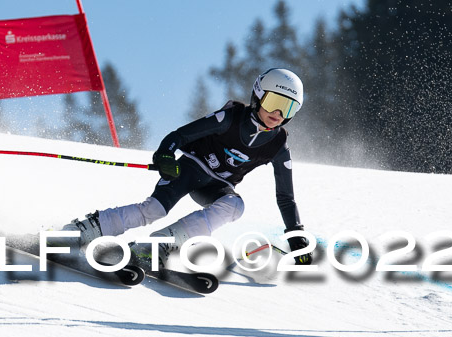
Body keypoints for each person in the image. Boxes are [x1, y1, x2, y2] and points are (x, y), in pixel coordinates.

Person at [63, 67, 313, 269]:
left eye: (289, 107)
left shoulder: (279, 146)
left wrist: (295, 233)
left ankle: (160, 245)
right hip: (190, 168)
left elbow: (285, 197)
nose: (278, 113)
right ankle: (84, 230)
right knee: (154, 209)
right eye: (274, 102)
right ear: (258, 96)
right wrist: (164, 155)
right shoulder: (231, 118)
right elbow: (179, 136)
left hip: (218, 186)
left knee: (235, 206)